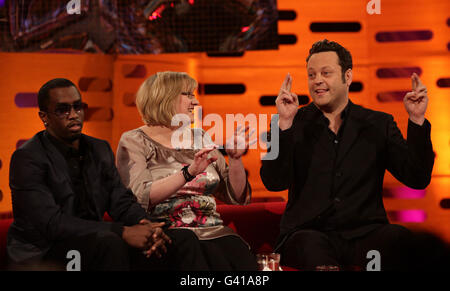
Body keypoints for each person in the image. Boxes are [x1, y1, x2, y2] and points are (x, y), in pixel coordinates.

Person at [260, 39, 435, 271]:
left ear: (348, 76)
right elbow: (273, 182)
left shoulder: (378, 124)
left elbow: (417, 177)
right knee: (311, 247)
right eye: (311, 75)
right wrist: (284, 125)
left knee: (401, 240)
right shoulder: (290, 123)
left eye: (326, 73)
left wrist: (417, 120)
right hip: (310, 234)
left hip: (366, 234)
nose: (317, 81)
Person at [7, 78, 201, 271]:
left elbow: (120, 201)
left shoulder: (98, 148)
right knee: (109, 244)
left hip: (95, 239)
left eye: (78, 107)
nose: (74, 115)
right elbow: (52, 223)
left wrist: (147, 225)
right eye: (63, 110)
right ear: (44, 117)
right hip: (45, 252)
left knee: (181, 239)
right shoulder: (27, 159)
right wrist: (122, 231)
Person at [116, 71, 258, 271]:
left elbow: (235, 196)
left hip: (214, 230)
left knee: (236, 254)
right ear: (165, 97)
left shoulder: (200, 137)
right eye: (188, 95)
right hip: (166, 233)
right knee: (201, 252)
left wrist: (235, 159)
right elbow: (140, 196)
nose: (195, 102)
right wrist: (187, 173)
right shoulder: (134, 140)